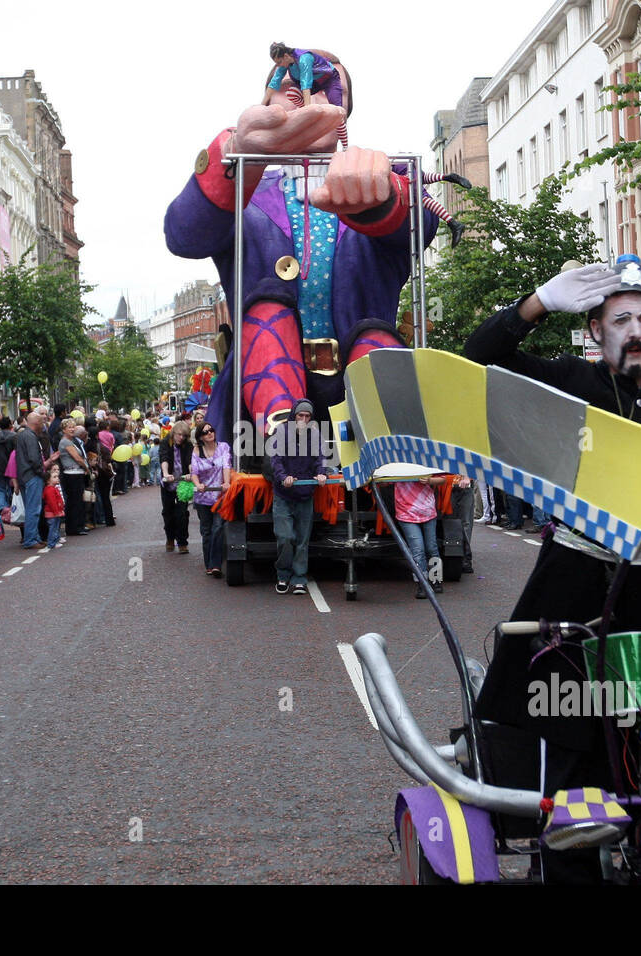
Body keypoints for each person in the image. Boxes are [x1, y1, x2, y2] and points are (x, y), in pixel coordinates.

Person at [462, 257, 641, 883]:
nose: (636, 330)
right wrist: (535, 303)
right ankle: (563, 858)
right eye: (621, 319)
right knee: (566, 721)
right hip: (576, 577)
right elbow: (479, 358)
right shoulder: (570, 380)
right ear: (596, 330)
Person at [166, 68, 437, 445]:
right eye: (285, 84)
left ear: (344, 111)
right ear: (265, 103)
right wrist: (233, 155)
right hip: (258, 406)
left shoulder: (379, 181)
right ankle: (283, 441)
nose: (304, 93)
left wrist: (380, 196)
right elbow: (184, 235)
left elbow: (417, 225)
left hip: (365, 394)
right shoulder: (244, 194)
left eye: (326, 86)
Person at [266, 400, 325, 594]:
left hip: (305, 494)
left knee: (302, 540)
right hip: (284, 495)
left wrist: (321, 473)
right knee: (285, 537)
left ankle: (299, 577)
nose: (304, 419)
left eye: (307, 416)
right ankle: (283, 574)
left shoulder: (315, 434)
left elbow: (319, 459)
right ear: (294, 415)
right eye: (300, 415)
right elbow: (276, 460)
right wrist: (283, 477)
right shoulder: (281, 432)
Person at [395, 471, 446, 599]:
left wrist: (429, 481)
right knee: (418, 549)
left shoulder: (423, 458)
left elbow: (442, 479)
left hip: (427, 510)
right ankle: (422, 584)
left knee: (431, 548)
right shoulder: (393, 457)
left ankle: (436, 580)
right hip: (405, 512)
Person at [190, 420, 232, 576]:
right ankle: (208, 563)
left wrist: (226, 482)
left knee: (218, 528)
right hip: (202, 497)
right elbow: (194, 472)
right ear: (200, 437)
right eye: (205, 432)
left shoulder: (223, 447)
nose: (210, 433)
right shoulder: (196, 451)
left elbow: (226, 465)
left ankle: (216, 565)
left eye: (211, 430)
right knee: (206, 531)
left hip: (219, 495)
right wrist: (198, 483)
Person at [15, 411, 49, 549]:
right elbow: (34, 459)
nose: (43, 425)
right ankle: (31, 539)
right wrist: (42, 472)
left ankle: (34, 537)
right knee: (33, 509)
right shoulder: (30, 437)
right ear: (36, 423)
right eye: (42, 422)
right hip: (32, 476)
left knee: (31, 507)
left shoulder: (23, 435)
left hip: (23, 475)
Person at [159, 421, 194, 553]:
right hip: (168, 483)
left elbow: (190, 460)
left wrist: (191, 473)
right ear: (174, 433)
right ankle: (170, 538)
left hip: (182, 483)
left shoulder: (187, 445)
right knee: (167, 513)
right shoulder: (165, 442)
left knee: (182, 514)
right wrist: (166, 473)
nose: (181, 438)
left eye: (184, 436)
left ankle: (182, 542)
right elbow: (164, 458)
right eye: (179, 435)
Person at [58, 421, 91, 537]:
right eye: (69, 427)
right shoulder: (66, 442)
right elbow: (77, 458)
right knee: (75, 502)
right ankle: (74, 528)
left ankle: (77, 526)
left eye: (73, 427)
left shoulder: (70, 441)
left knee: (77, 501)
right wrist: (87, 469)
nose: (72, 429)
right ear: (63, 430)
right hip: (72, 474)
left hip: (76, 473)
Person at [41, 468, 65, 551]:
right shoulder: (50, 490)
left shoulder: (53, 488)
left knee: (55, 527)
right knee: (53, 528)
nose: (57, 478)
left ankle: (55, 541)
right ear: (48, 481)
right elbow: (52, 502)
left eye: (57, 477)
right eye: (54, 477)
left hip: (55, 512)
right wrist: (56, 511)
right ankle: (51, 543)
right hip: (53, 513)